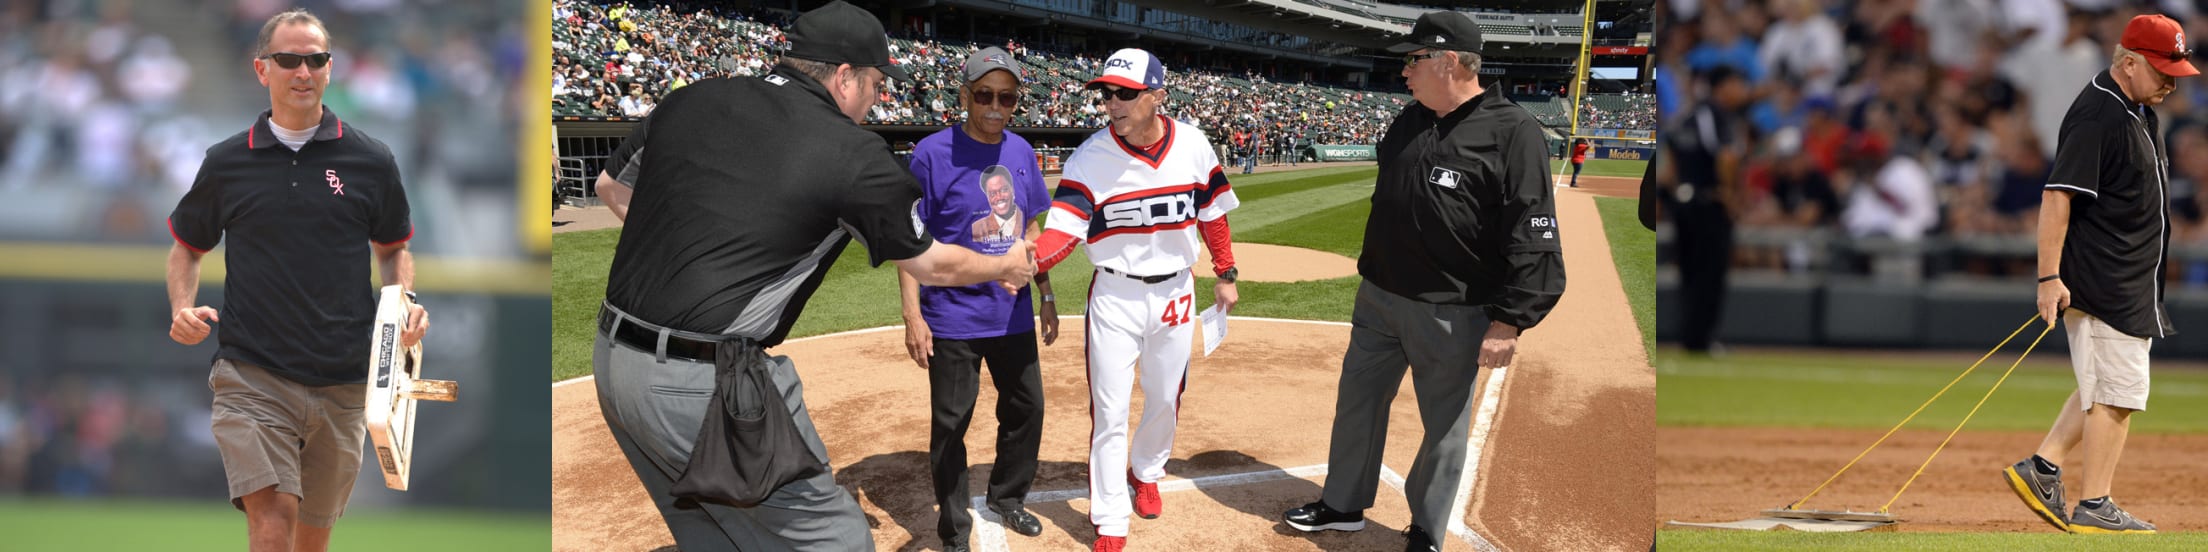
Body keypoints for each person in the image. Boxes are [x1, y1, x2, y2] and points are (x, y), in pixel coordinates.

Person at [589, 3, 1037, 550]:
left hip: (612, 364)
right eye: (875, 83)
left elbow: (609, 187)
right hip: (702, 382)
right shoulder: (852, 152)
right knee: (838, 539)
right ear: (845, 77)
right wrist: (1006, 264)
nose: (878, 98)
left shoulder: (692, 97)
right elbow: (931, 263)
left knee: (712, 533)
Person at [1280, 12, 1564, 552]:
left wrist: (1510, 320)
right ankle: (1342, 505)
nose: (1404, 71)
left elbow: (1534, 230)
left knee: (1444, 429)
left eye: (1414, 59)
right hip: (1380, 297)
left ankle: (1426, 531)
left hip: (1453, 309)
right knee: (1358, 403)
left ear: (1450, 62)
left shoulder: (1514, 131)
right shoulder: (1409, 119)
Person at [164, 9, 427, 552]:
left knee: (310, 542)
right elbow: (187, 249)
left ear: (331, 69)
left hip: (343, 381)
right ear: (262, 69)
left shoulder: (371, 160)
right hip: (252, 376)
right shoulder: (226, 161)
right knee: (272, 523)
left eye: (316, 59)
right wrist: (181, 308)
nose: (303, 71)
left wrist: (404, 304)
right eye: (288, 60)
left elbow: (394, 248)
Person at [1031, 47, 1240, 552]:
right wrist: (1020, 264)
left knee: (1165, 397)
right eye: (1106, 94)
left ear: (1157, 96)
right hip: (1115, 294)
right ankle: (1110, 517)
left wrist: (1226, 271)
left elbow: (1211, 213)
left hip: (1175, 290)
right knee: (1109, 409)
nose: (1112, 104)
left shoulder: (1191, 144)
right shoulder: (1091, 157)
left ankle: (1146, 469)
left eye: (1125, 94)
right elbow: (1060, 234)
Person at [2005, 13, 2194, 536]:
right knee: (2119, 393)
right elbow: (2057, 196)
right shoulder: (2099, 114)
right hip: (2106, 276)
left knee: (2104, 384)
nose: (2170, 82)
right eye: (2161, 69)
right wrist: (2048, 278)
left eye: (2175, 70)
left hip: (2129, 275)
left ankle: (2042, 468)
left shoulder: (2135, 106)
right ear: (2128, 62)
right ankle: (2095, 504)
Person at [898, 47, 1056, 552]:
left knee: (1027, 409)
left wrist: (1045, 292)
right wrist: (911, 314)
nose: (995, 105)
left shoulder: (1021, 153)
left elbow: (1030, 228)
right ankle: (954, 531)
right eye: (985, 94)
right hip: (951, 317)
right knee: (950, 426)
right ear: (964, 95)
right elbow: (909, 238)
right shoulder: (930, 153)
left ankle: (1008, 497)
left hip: (1010, 314)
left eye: (1006, 97)